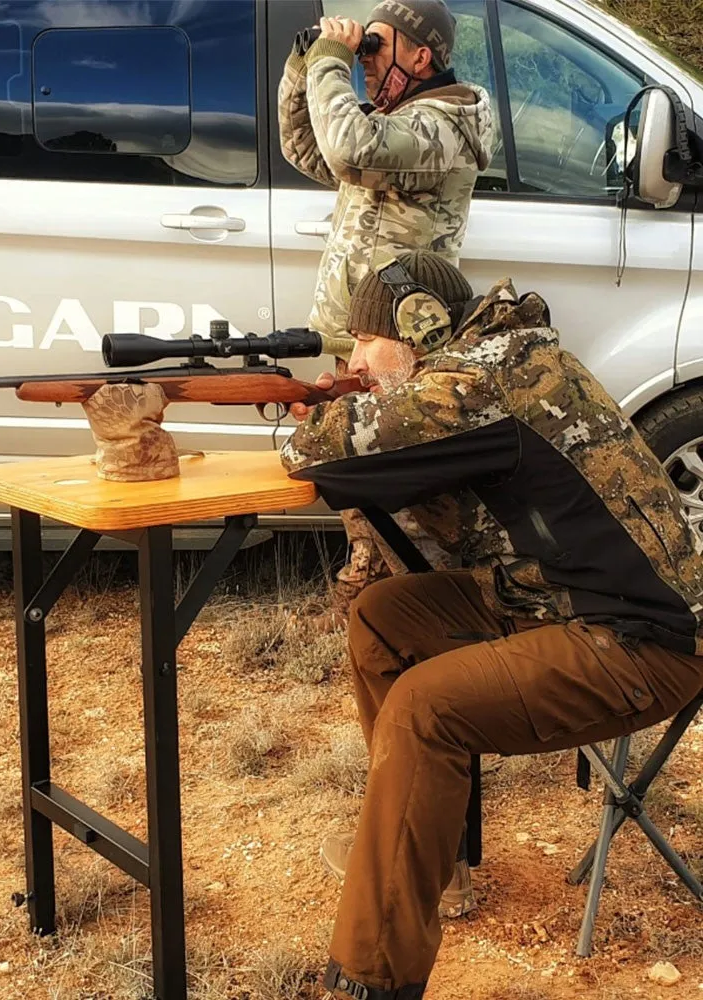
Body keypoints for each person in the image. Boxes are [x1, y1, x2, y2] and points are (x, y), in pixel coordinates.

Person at [281, 250, 703, 1000]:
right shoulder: (506, 360)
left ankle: (374, 977)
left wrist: (308, 413)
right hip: (562, 599)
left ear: (414, 327)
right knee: (384, 617)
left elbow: (316, 450)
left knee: (426, 707)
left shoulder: (478, 380)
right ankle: (419, 857)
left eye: (360, 343)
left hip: (645, 641)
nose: (354, 361)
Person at [278, 0, 493, 627]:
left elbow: (349, 150)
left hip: (403, 333)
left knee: (397, 471)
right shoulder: (396, 124)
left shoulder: (441, 126)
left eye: (378, 49)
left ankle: (414, 597)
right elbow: (309, 149)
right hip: (365, 326)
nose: (366, 63)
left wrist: (332, 62)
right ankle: (371, 576)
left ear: (421, 56)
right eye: (362, 52)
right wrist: (306, 64)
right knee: (356, 454)